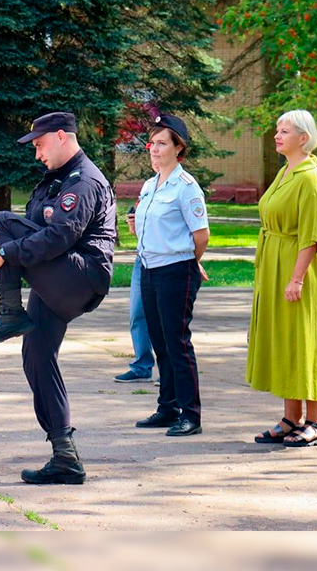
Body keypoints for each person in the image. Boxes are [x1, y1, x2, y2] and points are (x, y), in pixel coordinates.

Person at [0, 111, 116, 485]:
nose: (37, 153)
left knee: (2, 221)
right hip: (57, 276)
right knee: (36, 357)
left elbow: (59, 237)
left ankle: (9, 313)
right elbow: (35, 229)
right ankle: (65, 457)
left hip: (80, 276)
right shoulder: (53, 181)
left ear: (61, 137)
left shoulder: (83, 180)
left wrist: (5, 251)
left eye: (39, 145)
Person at [247, 109, 317, 448]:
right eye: (277, 130)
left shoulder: (310, 178)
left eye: (285, 131)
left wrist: (296, 279)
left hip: (297, 268)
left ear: (303, 138)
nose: (277, 136)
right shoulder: (286, 171)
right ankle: (290, 417)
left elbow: (311, 236)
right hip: (274, 263)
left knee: (302, 341)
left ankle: (316, 421)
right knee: (283, 339)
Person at [133, 115, 210, 437]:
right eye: (152, 143)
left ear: (179, 148)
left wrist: (188, 262)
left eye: (162, 142)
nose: (154, 148)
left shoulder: (186, 187)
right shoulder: (151, 184)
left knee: (177, 343)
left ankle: (190, 413)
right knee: (160, 341)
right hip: (150, 269)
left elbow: (201, 235)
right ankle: (167, 407)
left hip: (176, 271)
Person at [113, 204, 156, 384]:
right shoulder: (148, 189)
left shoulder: (182, 187)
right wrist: (136, 226)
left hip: (167, 259)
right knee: (138, 314)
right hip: (143, 258)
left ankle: (170, 372)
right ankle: (142, 367)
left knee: (166, 318)